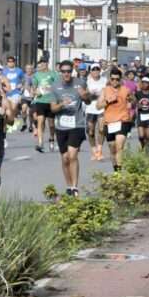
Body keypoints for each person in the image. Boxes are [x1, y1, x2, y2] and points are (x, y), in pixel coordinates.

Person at [49, 61, 91, 197]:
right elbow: (53, 108)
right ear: (60, 72)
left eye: (69, 71)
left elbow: (88, 101)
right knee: (65, 158)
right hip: (61, 126)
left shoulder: (80, 83)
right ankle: (68, 186)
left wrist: (84, 96)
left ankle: (75, 187)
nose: (66, 74)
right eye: (64, 71)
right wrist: (62, 104)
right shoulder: (55, 86)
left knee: (72, 155)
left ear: (72, 71)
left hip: (77, 124)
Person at [32, 59, 58, 153]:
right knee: (40, 121)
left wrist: (50, 88)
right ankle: (40, 143)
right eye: (39, 65)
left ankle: (51, 139)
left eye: (42, 64)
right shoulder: (36, 75)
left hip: (51, 101)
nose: (41, 66)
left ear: (46, 64)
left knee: (51, 124)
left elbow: (58, 85)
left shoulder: (54, 74)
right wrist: (35, 92)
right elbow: (33, 88)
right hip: (40, 101)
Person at [84, 63, 107, 161]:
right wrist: (90, 95)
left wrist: (101, 95)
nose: (96, 71)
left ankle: (99, 150)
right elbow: (85, 95)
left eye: (97, 69)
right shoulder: (87, 81)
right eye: (94, 69)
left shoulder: (105, 80)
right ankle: (94, 151)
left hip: (102, 108)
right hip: (90, 108)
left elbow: (107, 92)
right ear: (91, 71)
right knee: (90, 131)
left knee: (102, 129)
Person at [134, 75, 149, 152]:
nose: (144, 84)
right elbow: (134, 103)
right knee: (141, 136)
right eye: (143, 83)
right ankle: (142, 146)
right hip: (141, 116)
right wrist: (138, 105)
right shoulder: (138, 93)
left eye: (146, 83)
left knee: (147, 136)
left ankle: (147, 152)